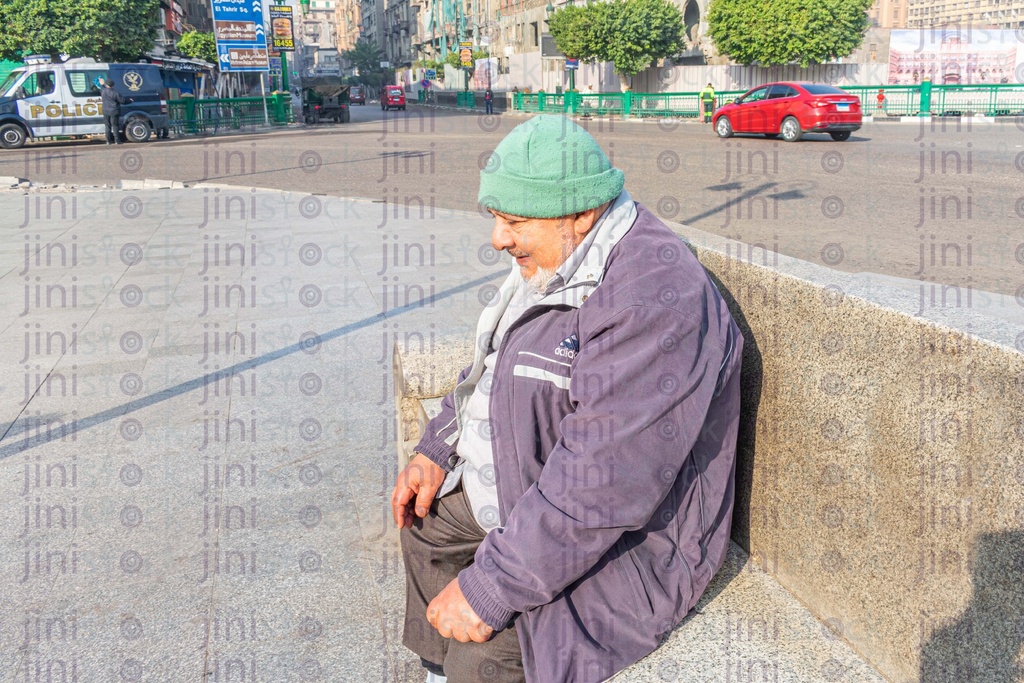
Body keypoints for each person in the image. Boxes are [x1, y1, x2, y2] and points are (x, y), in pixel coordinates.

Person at [393, 115, 744, 683]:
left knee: (487, 660)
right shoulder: (560, 258)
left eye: (513, 222)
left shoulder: (653, 299)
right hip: (527, 489)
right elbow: (491, 364)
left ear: (580, 213)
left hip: (629, 540)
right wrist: (437, 447)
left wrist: (489, 589)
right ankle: (438, 667)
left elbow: (604, 481)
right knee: (424, 530)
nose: (497, 239)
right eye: (495, 219)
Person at [101, 79, 127, 144]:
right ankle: (117, 140)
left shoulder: (103, 91)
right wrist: (130, 100)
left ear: (106, 85)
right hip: (114, 111)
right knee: (115, 126)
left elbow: (102, 88)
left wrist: (102, 84)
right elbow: (122, 101)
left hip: (105, 111)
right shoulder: (115, 93)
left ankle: (108, 141)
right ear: (112, 85)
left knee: (107, 126)